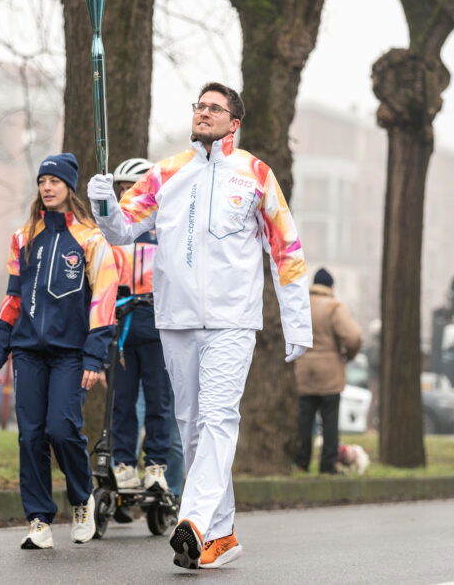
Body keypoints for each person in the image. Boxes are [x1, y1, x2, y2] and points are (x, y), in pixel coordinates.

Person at [88, 82, 312, 570]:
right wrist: (103, 204)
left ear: (234, 122)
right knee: (191, 428)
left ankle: (191, 518)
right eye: (200, 106)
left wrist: (298, 324)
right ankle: (222, 534)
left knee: (218, 418)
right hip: (176, 320)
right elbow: (121, 232)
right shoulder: (166, 174)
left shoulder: (254, 174)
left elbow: (286, 251)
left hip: (233, 321)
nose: (204, 113)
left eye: (216, 108)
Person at [0, 153, 117, 550]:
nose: (47, 187)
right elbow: (12, 298)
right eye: (42, 180)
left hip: (70, 353)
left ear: (69, 187)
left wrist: (95, 357)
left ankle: (81, 501)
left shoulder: (92, 240)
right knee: (30, 437)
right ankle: (39, 519)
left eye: (55, 181)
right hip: (28, 351)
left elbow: (104, 300)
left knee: (61, 429)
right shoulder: (23, 237)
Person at [107, 158, 182, 508]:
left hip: (156, 322)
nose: (128, 194)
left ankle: (155, 465)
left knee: (158, 401)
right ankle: (123, 463)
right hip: (121, 324)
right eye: (123, 188)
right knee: (122, 402)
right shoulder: (112, 231)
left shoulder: (164, 226)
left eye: (134, 187)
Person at [293, 267, 362, 474]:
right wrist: (347, 356)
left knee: (304, 420)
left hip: (304, 370)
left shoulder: (301, 305)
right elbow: (354, 337)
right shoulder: (334, 307)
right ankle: (328, 464)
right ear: (331, 286)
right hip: (330, 372)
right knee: (330, 420)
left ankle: (301, 462)